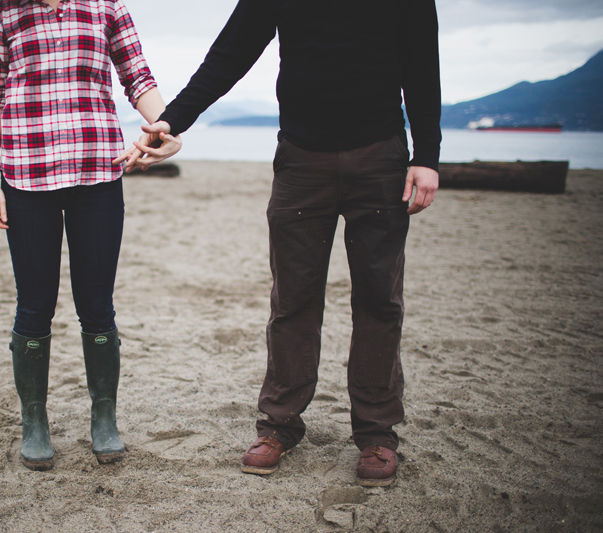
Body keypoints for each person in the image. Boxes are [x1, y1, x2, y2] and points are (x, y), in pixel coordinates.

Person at [120, 0, 441, 486]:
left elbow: (422, 65)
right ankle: (279, 426)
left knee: (379, 298)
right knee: (293, 298)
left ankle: (377, 434)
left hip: (380, 157)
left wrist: (428, 156)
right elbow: (230, 53)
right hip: (300, 158)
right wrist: (173, 120)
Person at [0, 0, 180, 470]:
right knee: (34, 305)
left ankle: (103, 419)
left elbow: (139, 79)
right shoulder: (4, 13)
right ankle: (34, 422)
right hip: (27, 178)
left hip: (99, 174)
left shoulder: (106, 7)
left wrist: (170, 128)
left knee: (97, 304)